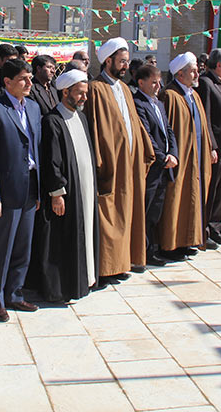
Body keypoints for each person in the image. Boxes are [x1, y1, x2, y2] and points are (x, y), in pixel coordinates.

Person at [0, 58, 42, 322]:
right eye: (23, 79)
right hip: (6, 190)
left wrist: (39, 190)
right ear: (7, 82)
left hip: (30, 187)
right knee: (2, 246)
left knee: (23, 246)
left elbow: (36, 148)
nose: (29, 83)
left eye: (29, 78)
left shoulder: (34, 108)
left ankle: (15, 293)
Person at [83, 37, 154, 281]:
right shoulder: (95, 88)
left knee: (128, 214)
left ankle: (125, 261)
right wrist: (103, 162)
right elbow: (95, 129)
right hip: (111, 166)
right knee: (111, 216)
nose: (125, 66)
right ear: (108, 61)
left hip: (130, 164)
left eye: (126, 62)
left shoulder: (125, 88)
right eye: (121, 62)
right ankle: (108, 267)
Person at [29, 69, 98, 302]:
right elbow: (52, 161)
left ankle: (83, 281)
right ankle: (61, 289)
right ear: (65, 92)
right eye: (79, 94)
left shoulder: (81, 117)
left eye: (85, 94)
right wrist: (57, 193)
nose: (84, 98)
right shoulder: (52, 121)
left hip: (85, 190)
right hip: (65, 194)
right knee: (63, 240)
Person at [160, 52, 213, 256]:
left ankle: (189, 240)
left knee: (194, 198)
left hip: (197, 157)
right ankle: (172, 244)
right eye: (192, 71)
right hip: (180, 158)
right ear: (180, 74)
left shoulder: (193, 94)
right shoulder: (170, 96)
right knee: (177, 199)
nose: (196, 73)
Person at [132, 64, 179, 264]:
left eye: (159, 82)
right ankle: (141, 252)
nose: (158, 86)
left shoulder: (158, 104)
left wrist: (173, 153)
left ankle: (152, 249)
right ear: (141, 83)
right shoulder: (138, 103)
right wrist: (162, 157)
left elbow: (168, 130)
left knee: (156, 211)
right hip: (152, 167)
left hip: (165, 166)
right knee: (146, 210)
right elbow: (146, 135)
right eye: (153, 82)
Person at [197, 48, 221, 246]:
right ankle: (204, 230)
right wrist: (211, 145)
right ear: (218, 65)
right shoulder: (206, 83)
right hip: (216, 147)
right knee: (211, 191)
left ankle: (216, 226)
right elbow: (207, 118)